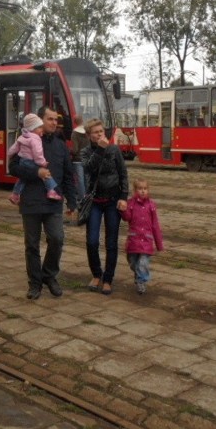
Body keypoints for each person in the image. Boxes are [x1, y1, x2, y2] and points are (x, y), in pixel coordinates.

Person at [9, 106, 77, 300]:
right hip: (30, 201)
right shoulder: (27, 141)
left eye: (56, 120)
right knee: (31, 245)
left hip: (53, 200)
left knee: (57, 239)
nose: (54, 123)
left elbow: (68, 175)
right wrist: (36, 172)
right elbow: (12, 167)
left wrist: (72, 200)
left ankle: (49, 275)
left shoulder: (60, 145)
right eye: (50, 119)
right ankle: (35, 283)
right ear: (39, 120)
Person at [81, 118, 129, 296]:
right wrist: (100, 149)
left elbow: (123, 174)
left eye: (101, 131)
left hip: (112, 200)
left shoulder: (114, 149)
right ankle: (96, 274)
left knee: (111, 242)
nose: (100, 134)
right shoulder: (86, 152)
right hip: (94, 201)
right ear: (89, 136)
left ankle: (108, 279)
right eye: (96, 132)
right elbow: (89, 169)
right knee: (92, 240)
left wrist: (124, 196)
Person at [7, 113, 62, 205]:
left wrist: (9, 154)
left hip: (22, 161)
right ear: (33, 128)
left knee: (23, 179)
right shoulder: (35, 139)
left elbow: (14, 148)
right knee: (46, 175)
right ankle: (51, 190)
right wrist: (42, 162)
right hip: (31, 161)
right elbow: (38, 153)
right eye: (39, 127)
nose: (42, 129)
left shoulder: (22, 136)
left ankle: (15, 194)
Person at [122, 177, 164, 294]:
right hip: (133, 240)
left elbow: (155, 225)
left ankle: (141, 282)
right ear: (135, 190)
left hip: (146, 240)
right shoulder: (131, 204)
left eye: (145, 188)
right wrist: (123, 209)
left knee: (143, 263)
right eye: (140, 189)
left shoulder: (151, 205)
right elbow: (127, 218)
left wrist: (159, 244)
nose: (143, 191)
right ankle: (138, 273)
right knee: (132, 262)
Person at [70, 114, 90, 198]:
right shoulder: (87, 132)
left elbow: (75, 149)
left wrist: (69, 151)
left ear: (74, 122)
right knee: (87, 180)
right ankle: (89, 197)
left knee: (79, 180)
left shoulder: (74, 133)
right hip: (87, 159)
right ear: (82, 121)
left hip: (77, 160)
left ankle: (82, 198)